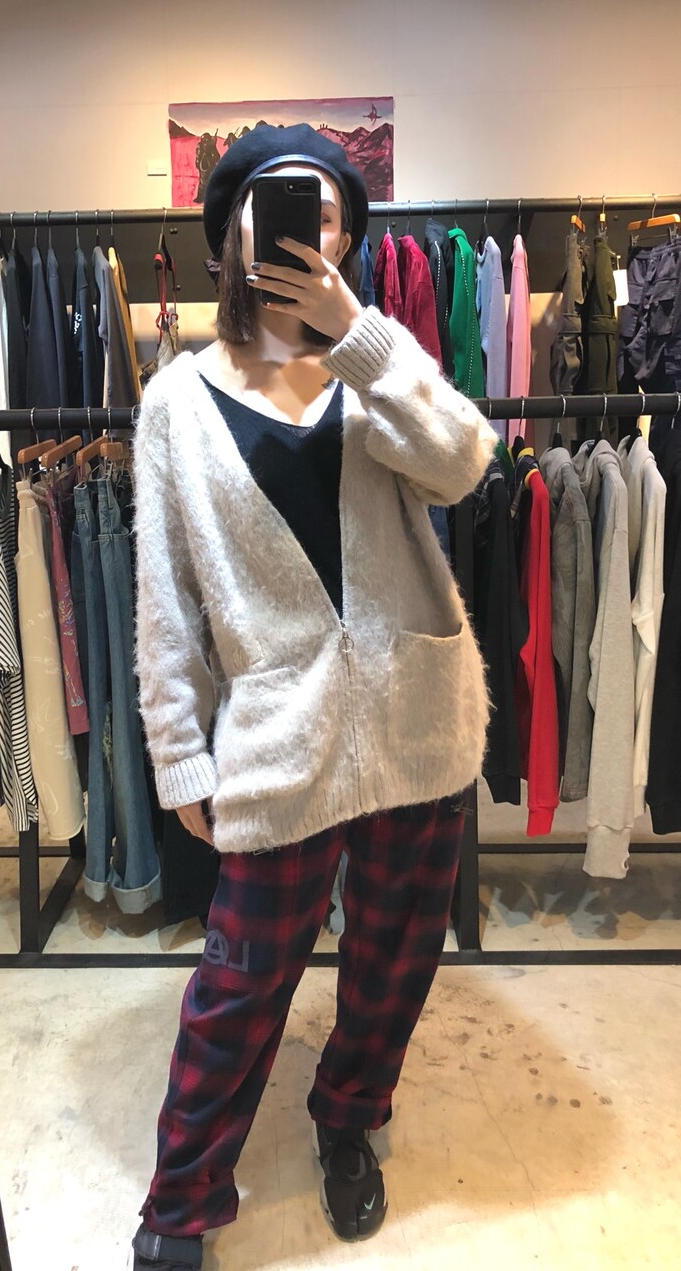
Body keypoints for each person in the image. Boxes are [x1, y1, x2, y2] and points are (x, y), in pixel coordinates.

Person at [129, 123, 497, 1271]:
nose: (307, 227)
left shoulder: (371, 369)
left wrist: (362, 341)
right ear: (231, 230)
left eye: (329, 212)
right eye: (281, 204)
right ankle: (182, 1195)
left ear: (344, 240)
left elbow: (463, 462)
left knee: (393, 957)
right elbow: (165, 598)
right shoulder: (175, 403)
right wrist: (177, 751)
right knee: (239, 977)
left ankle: (349, 1111)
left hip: (414, 714)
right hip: (276, 734)